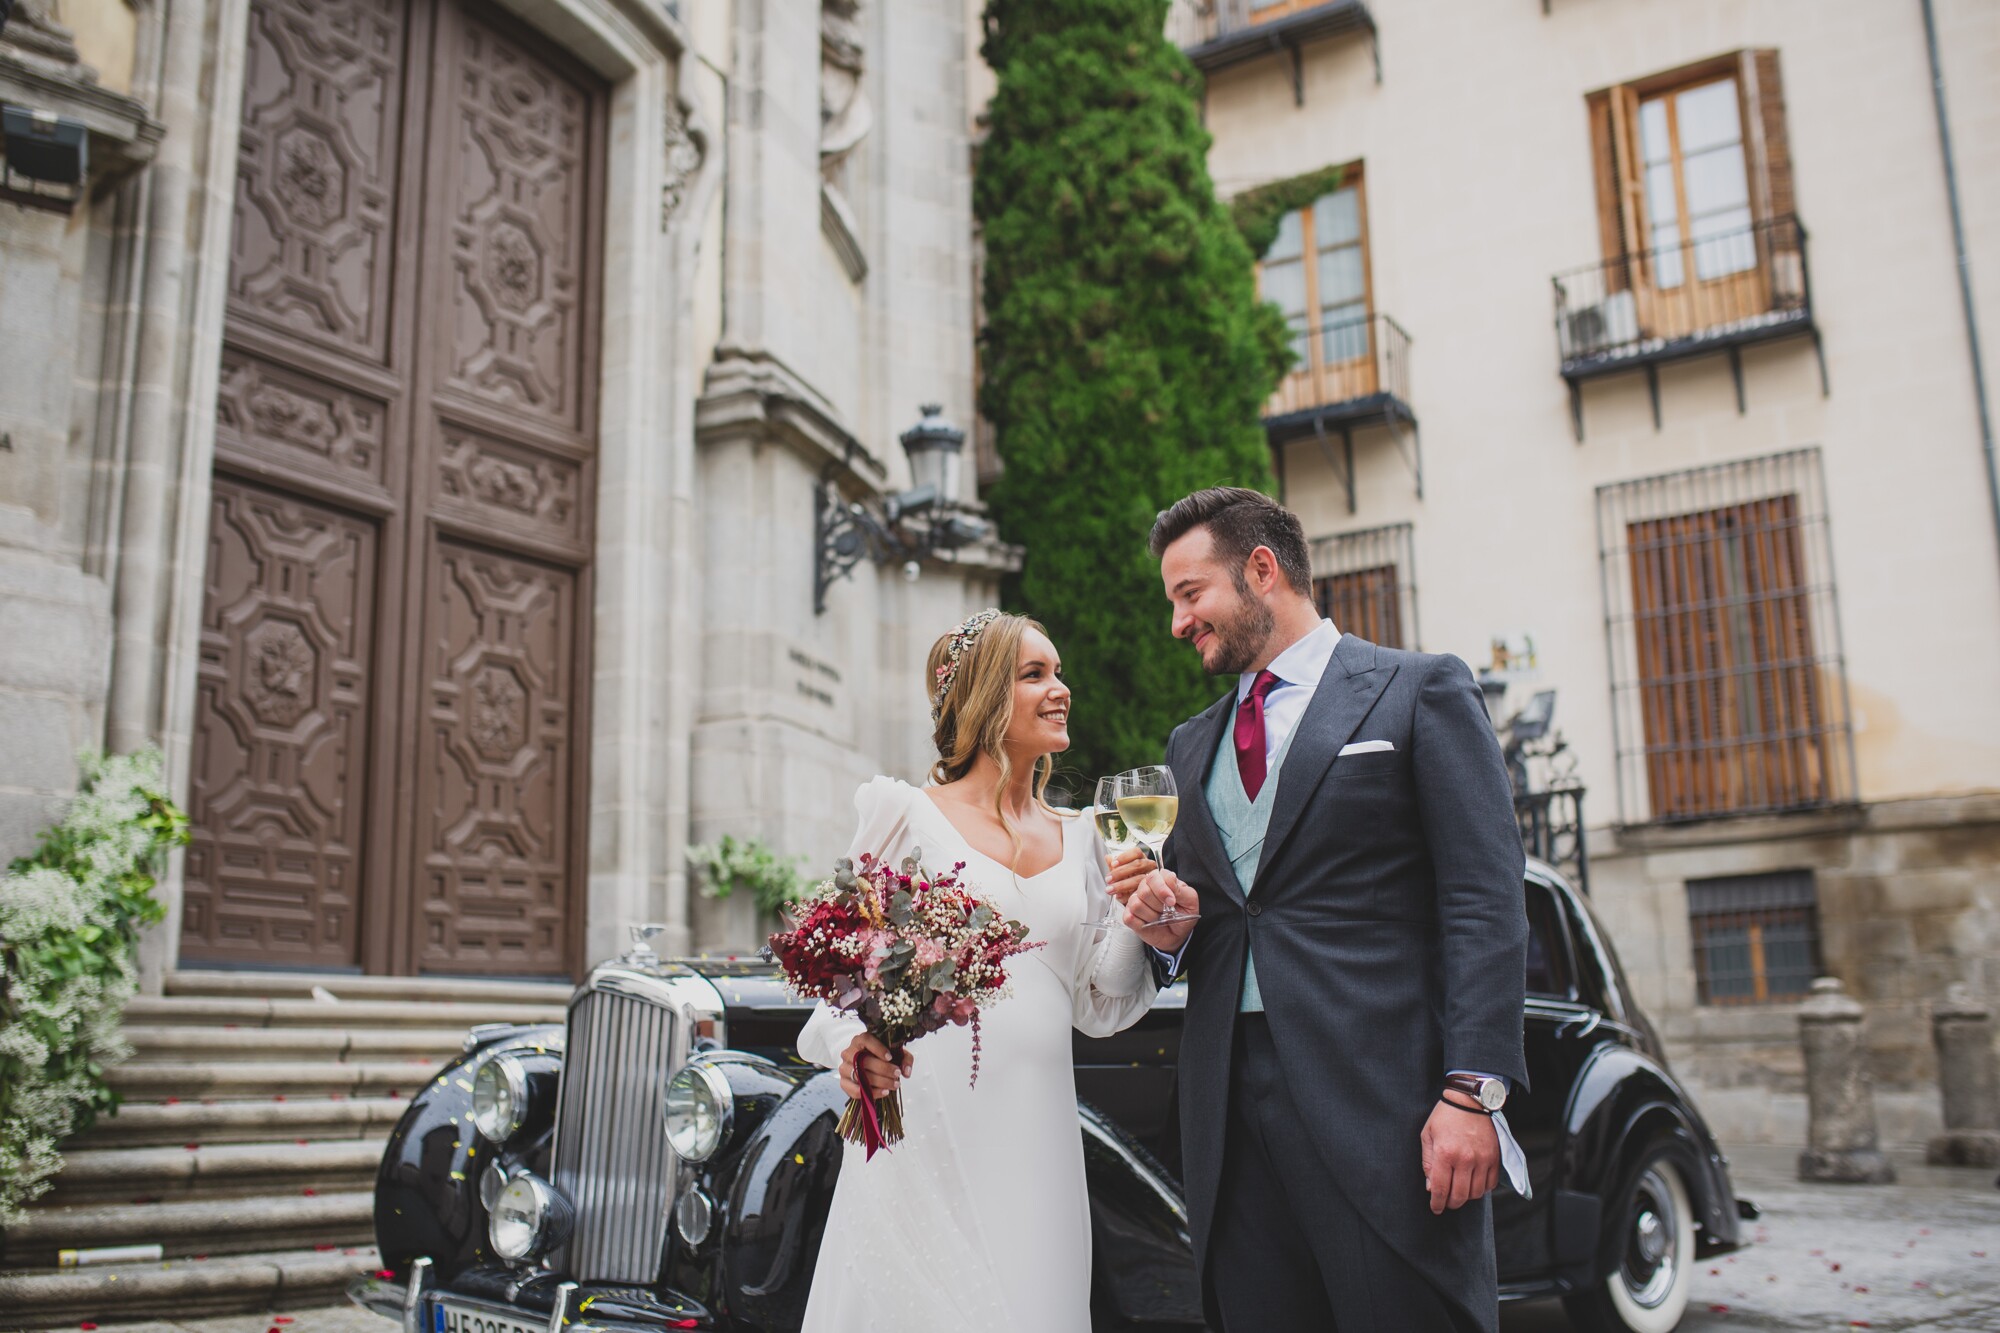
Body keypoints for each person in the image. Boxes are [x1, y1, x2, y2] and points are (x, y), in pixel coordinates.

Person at [1113, 486, 1530, 1333]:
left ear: (1262, 569)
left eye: (1190, 595)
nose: (1177, 623)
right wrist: (1169, 932)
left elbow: (1484, 900)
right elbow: (1214, 915)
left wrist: (1473, 1091)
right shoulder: (1189, 745)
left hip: (1388, 1108)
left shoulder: (1418, 691)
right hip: (1229, 1118)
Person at [794, 609, 1172, 1332]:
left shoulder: (1086, 833)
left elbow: (1098, 1001)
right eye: (1035, 674)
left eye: (1058, 672)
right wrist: (850, 1048)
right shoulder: (905, 815)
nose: (1060, 688)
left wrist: (1140, 918)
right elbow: (834, 982)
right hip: (928, 1133)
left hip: (1040, 1143)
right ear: (981, 697)